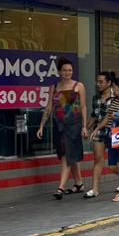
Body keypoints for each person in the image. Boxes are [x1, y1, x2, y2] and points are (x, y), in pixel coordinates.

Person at [36, 57, 87, 199]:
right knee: (68, 154)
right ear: (59, 71)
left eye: (70, 70)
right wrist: (41, 125)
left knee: (66, 155)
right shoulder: (54, 87)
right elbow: (49, 108)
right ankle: (79, 183)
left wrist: (84, 126)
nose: (67, 72)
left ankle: (61, 187)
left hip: (74, 125)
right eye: (64, 70)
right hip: (59, 125)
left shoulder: (79, 86)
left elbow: (83, 107)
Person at [84, 71, 116, 198]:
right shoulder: (96, 98)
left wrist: (97, 127)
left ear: (109, 83)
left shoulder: (116, 97)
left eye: (101, 82)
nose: (98, 84)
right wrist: (86, 128)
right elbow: (94, 115)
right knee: (98, 159)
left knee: (115, 163)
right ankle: (95, 189)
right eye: (97, 82)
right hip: (99, 132)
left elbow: (109, 117)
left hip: (113, 131)